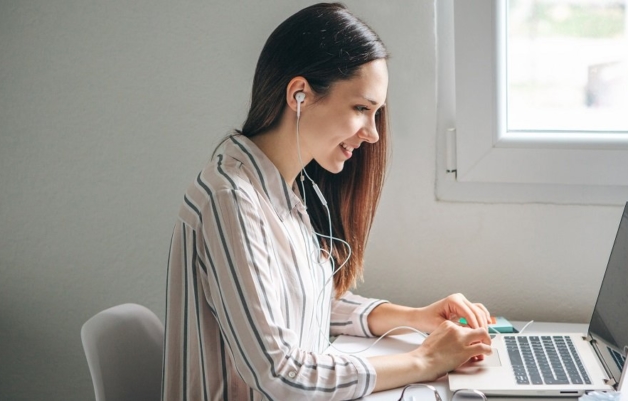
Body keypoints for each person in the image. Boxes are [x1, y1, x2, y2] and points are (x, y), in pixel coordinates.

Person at [162, 3, 493, 400]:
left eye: (376, 113)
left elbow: (300, 304)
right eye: (361, 109)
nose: (372, 133)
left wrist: (413, 318)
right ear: (300, 95)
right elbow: (279, 374)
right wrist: (423, 361)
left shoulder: (285, 188)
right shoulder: (231, 200)